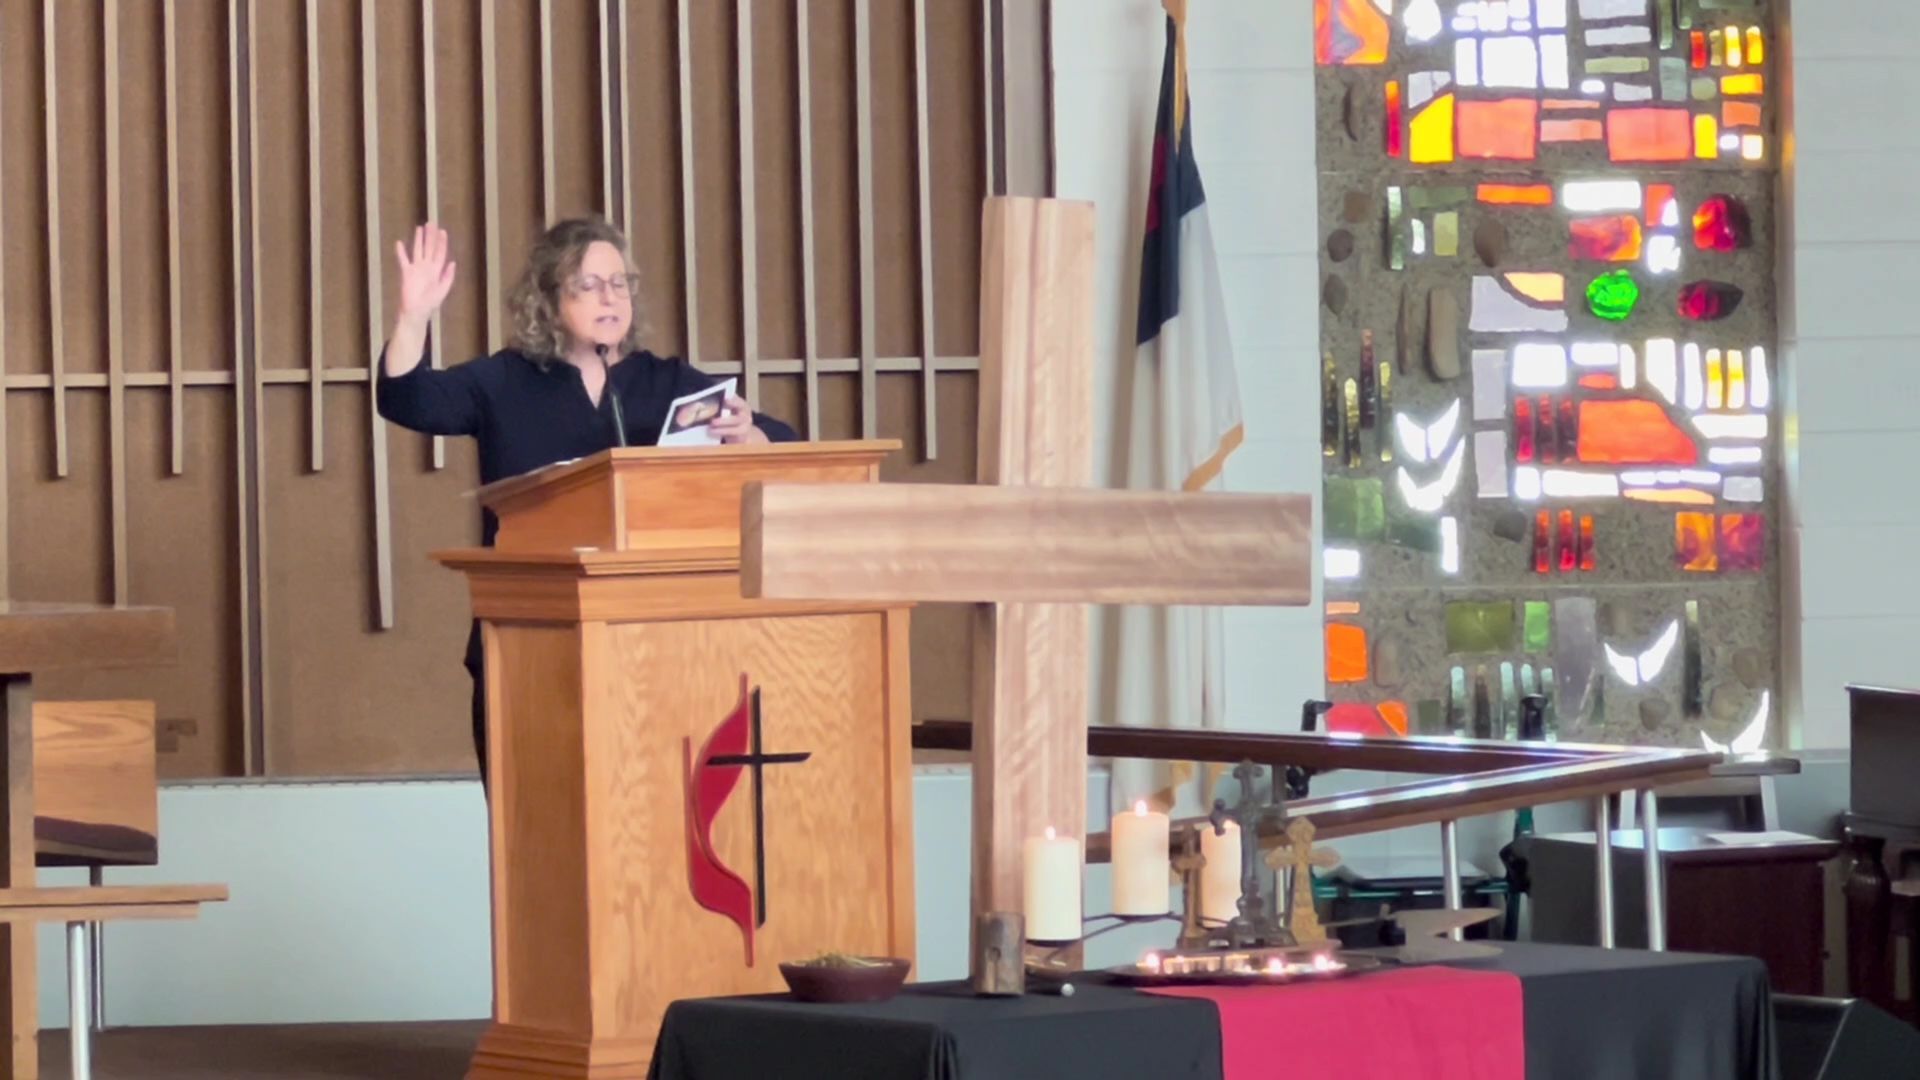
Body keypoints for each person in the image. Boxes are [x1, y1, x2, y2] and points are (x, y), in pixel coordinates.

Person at [375, 217, 799, 784]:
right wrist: (414, 317)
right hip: (526, 639)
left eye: (619, 283)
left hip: (651, 643)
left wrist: (748, 434)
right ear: (549, 299)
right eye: (589, 285)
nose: (610, 297)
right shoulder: (505, 381)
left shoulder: (667, 383)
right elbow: (409, 400)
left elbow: (785, 442)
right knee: (534, 811)